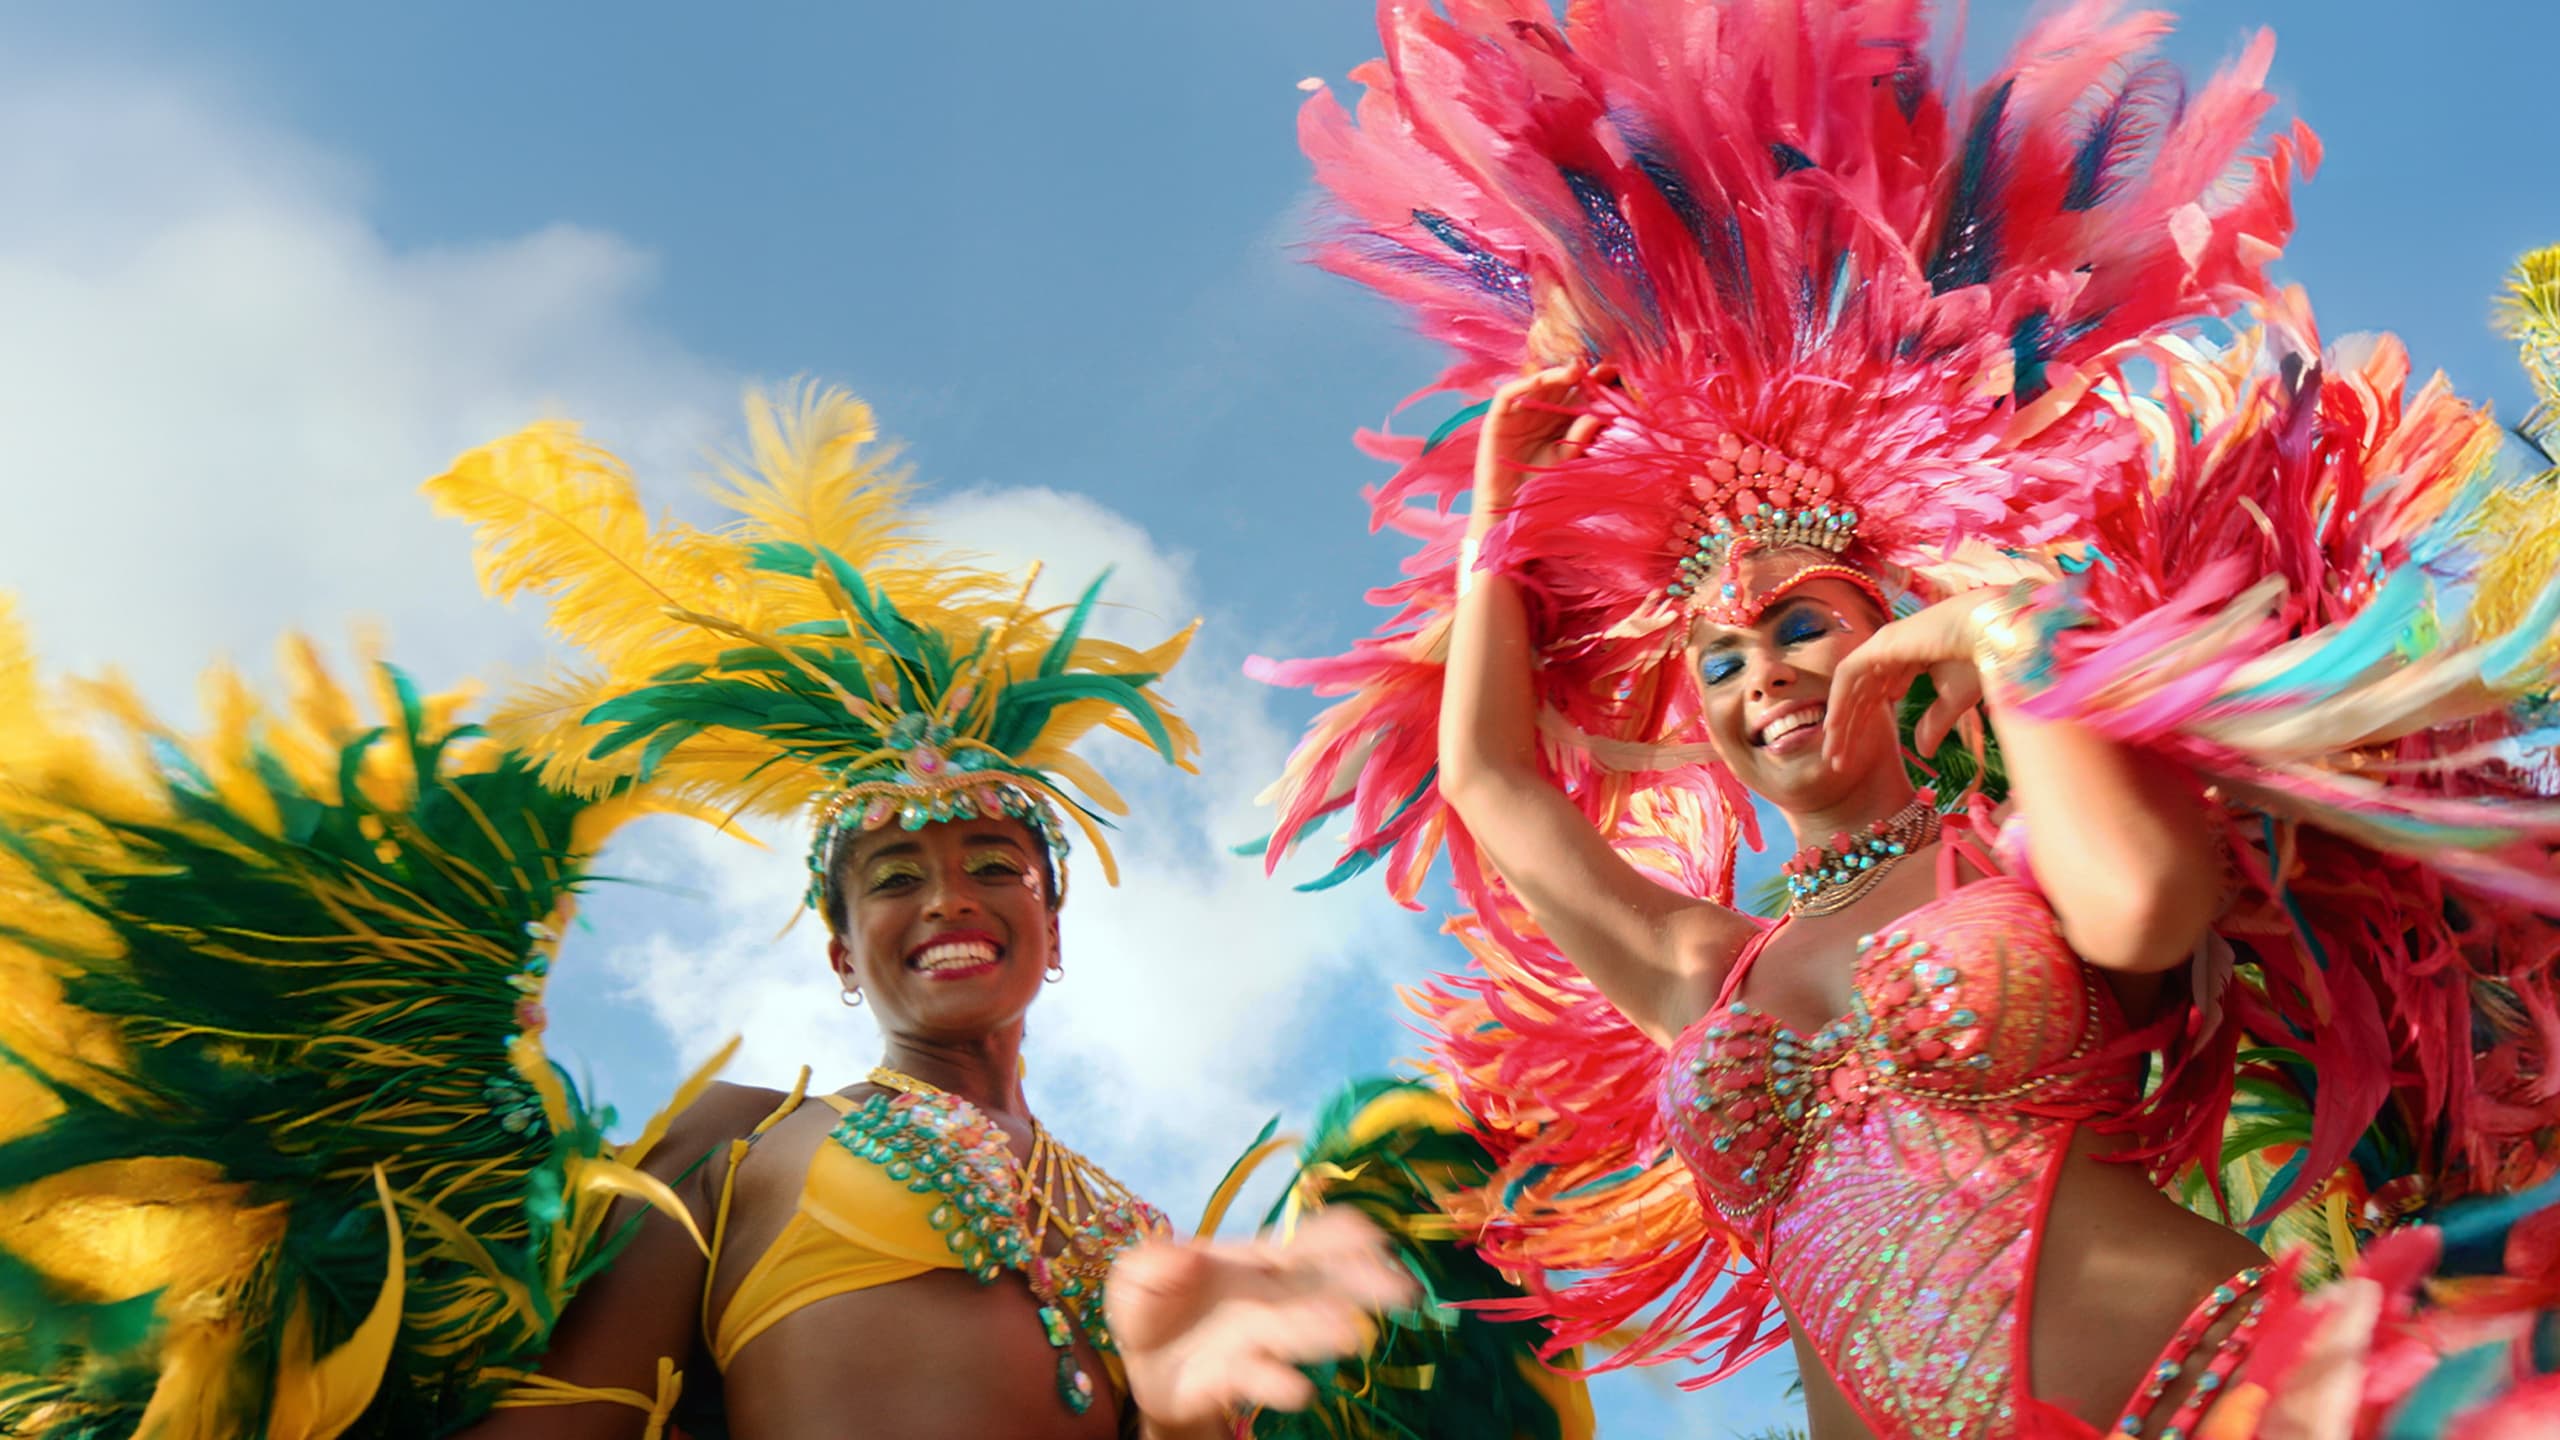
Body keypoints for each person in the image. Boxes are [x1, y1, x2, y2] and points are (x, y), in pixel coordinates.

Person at [1252, 4, 2560, 1436]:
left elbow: (2146, 907)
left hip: (2226, 1397)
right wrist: (1504, 492)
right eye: (1721, 662)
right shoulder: (1703, 972)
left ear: (1893, 629)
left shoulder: (2002, 851)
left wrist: (2006, 637)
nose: (1762, 677)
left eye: (1799, 624)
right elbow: (1492, 782)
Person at [0, 388, 1419, 1440]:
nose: (949, 897)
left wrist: (1185, 1412)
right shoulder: (737, 1141)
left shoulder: (1143, 1225)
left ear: (1052, 918)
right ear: (839, 946)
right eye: (893, 876)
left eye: (995, 862)